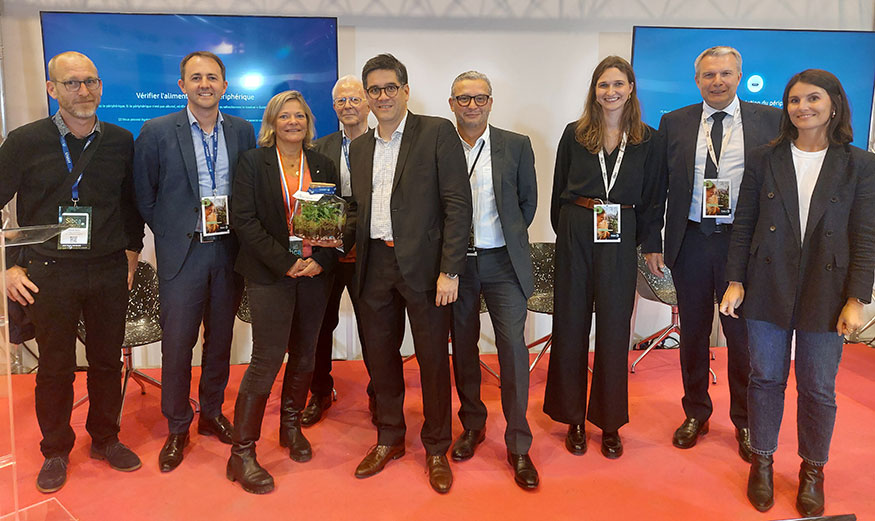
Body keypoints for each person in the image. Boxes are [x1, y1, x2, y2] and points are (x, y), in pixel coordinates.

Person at [720, 69, 875, 516]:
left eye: (813, 98)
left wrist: (856, 298)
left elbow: (865, 236)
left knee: (818, 389)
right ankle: (763, 464)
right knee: (765, 379)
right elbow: (743, 223)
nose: (802, 107)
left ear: (834, 104)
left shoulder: (860, 164)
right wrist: (736, 280)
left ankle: (812, 471)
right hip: (768, 284)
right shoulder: (765, 157)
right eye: (793, 100)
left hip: (827, 290)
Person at [0, 51, 144, 492]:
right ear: (52, 89)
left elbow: (130, 206)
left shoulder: (121, 140)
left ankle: (105, 438)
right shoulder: (25, 141)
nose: (84, 91)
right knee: (56, 368)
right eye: (72, 83)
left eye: (91, 82)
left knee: (105, 361)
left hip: (106, 270)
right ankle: (56, 449)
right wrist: (7, 269)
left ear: (101, 86)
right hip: (48, 272)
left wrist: (132, 256)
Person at [642, 46, 781, 460]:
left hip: (744, 246)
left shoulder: (768, 120)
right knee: (695, 334)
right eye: (708, 75)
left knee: (741, 339)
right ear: (697, 80)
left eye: (724, 73)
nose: (716, 81)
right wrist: (652, 240)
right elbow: (656, 188)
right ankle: (696, 412)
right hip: (692, 243)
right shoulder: (675, 122)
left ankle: (744, 421)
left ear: (739, 76)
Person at [344, 53, 472, 494]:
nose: (381, 96)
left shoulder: (436, 132)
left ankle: (436, 445)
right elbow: (357, 212)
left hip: (425, 268)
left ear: (405, 91)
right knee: (380, 359)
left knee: (434, 361)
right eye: (373, 90)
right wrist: (318, 238)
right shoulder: (359, 147)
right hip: (374, 265)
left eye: (389, 88)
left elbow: (458, 205)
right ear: (366, 97)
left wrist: (450, 270)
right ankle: (390, 438)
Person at [133, 51, 256, 472]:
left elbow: (249, 188)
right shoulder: (156, 130)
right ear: (182, 84)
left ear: (225, 85)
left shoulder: (242, 130)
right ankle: (177, 427)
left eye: (213, 77)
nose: (205, 84)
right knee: (178, 343)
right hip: (182, 253)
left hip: (229, 249)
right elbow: (144, 195)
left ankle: (211, 412)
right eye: (196, 77)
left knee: (220, 339)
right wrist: (173, 228)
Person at [543, 56, 663, 459]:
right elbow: (558, 189)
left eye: (617, 84)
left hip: (622, 230)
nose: (610, 92)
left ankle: (609, 423)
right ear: (593, 91)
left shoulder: (649, 138)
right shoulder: (574, 134)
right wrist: (571, 232)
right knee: (571, 324)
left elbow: (653, 197)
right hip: (578, 226)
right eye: (602, 85)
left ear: (630, 88)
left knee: (614, 329)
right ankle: (573, 417)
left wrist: (649, 242)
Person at [225, 90, 339, 494]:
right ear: (272, 123)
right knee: (266, 360)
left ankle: (289, 427)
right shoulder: (253, 163)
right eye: (285, 116)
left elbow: (334, 220)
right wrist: (285, 261)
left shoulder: (323, 163)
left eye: (300, 116)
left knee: (306, 354)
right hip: (270, 273)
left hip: (314, 274)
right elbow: (244, 220)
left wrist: (320, 262)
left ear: (309, 122)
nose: (293, 122)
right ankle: (241, 451)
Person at [445, 71, 539, 489]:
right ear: (451, 104)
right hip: (456, 266)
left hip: (502, 262)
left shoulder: (515, 145)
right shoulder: (439, 146)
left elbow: (527, 202)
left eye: (479, 97)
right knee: (462, 347)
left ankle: (519, 444)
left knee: (513, 350)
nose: (471, 105)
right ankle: (473, 425)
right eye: (463, 98)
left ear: (490, 101)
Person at [305, 75, 372, 427]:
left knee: (375, 328)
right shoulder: (320, 148)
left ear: (368, 104)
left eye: (354, 100)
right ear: (333, 107)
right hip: (329, 251)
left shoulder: (384, 144)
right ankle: (319, 391)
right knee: (321, 325)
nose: (348, 106)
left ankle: (380, 395)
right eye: (341, 101)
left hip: (370, 254)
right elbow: (316, 201)